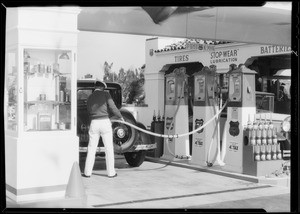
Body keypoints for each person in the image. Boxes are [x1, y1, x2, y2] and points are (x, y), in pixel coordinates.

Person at [83, 80, 124, 178]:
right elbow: (113, 107)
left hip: (94, 122)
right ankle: (111, 173)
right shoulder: (106, 94)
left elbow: (88, 110)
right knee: (109, 148)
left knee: (91, 148)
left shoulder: (90, 97)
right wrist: (120, 116)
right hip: (105, 121)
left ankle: (87, 173)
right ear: (103, 88)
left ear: (95, 87)